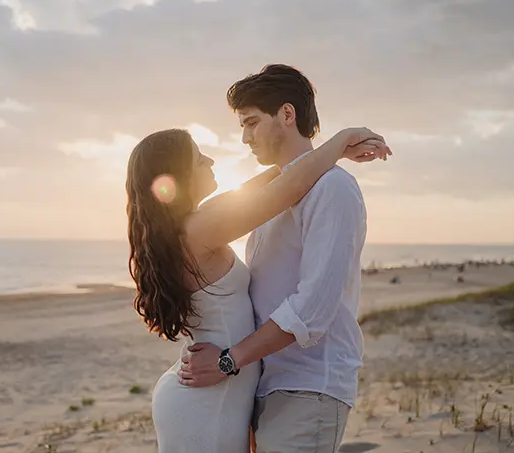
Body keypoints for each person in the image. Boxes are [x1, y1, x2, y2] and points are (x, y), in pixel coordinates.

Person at [125, 68, 391, 452]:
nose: (216, 158)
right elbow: (289, 185)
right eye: (199, 159)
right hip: (228, 387)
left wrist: (331, 151)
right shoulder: (203, 226)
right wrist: (342, 140)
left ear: (287, 114)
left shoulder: (326, 189)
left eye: (251, 123)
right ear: (177, 177)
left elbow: (280, 184)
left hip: (285, 385)